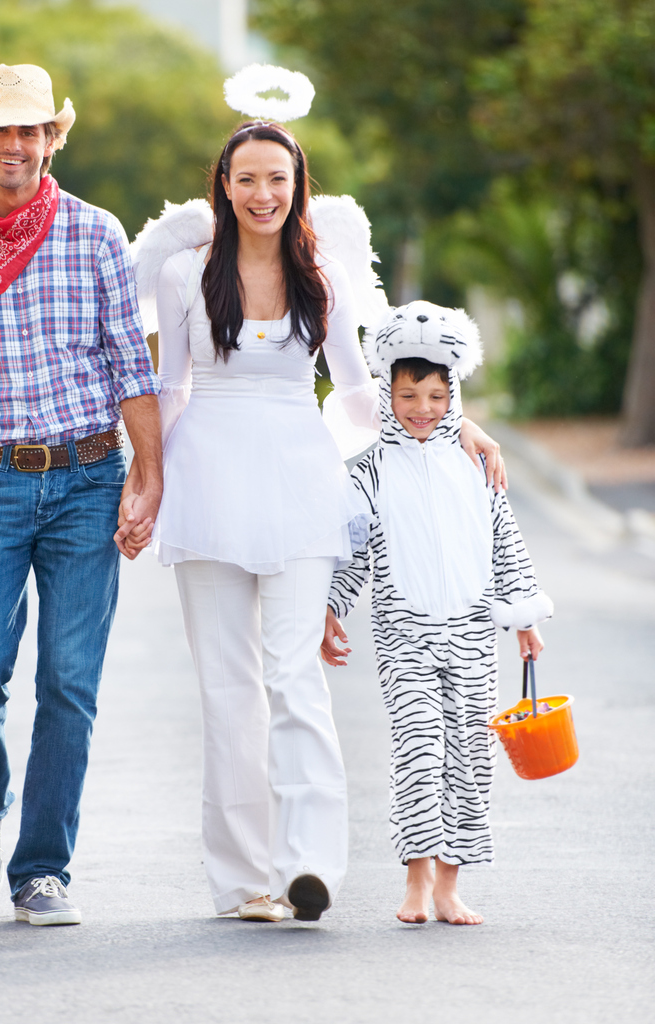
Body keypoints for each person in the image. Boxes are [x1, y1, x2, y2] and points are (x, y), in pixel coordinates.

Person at [131, 120, 505, 923]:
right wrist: (148, 481)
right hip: (206, 483)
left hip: (300, 483)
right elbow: (169, 387)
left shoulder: (322, 276)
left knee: (295, 677)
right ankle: (244, 882)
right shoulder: (185, 275)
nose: (262, 195)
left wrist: (451, 424)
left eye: (277, 179)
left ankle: (308, 865)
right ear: (222, 187)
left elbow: (362, 392)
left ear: (298, 186)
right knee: (229, 688)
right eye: (246, 180)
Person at [0, 63, 162, 927]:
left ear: (53, 139)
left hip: (89, 476)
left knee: (70, 680)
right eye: (0, 130)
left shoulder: (95, 235)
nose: (15, 146)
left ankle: (42, 867)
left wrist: (146, 475)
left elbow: (132, 363)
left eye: (31, 131)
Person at [321, 301, 552, 926]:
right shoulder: (369, 470)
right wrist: (332, 608)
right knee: (419, 755)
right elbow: (354, 552)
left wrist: (523, 616)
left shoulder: (476, 464)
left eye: (433, 395)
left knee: (470, 760)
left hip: (474, 633)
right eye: (406, 395)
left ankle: (451, 886)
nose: (421, 408)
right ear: (387, 395)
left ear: (454, 394)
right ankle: (416, 882)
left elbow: (505, 541)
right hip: (405, 635)